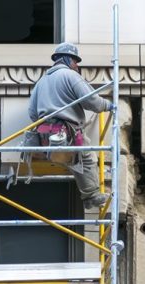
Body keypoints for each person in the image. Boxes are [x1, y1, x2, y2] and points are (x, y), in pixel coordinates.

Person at [27, 42, 113, 210]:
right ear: (67, 59)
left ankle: (89, 197)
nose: (77, 66)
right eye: (75, 61)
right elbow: (92, 101)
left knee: (76, 161)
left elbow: (32, 113)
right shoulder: (70, 76)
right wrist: (108, 105)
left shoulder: (41, 82)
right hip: (67, 132)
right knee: (87, 158)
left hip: (46, 137)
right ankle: (91, 196)